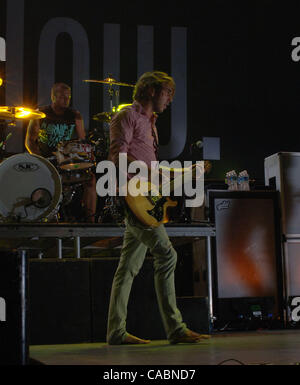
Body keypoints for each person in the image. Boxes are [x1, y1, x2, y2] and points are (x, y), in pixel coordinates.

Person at [106, 71, 210, 344]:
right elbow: (117, 159)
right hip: (133, 197)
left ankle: (116, 332)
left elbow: (150, 169)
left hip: (146, 200)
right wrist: (149, 175)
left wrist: (180, 173)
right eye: (167, 92)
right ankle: (175, 329)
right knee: (168, 256)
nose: (170, 99)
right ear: (151, 91)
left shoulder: (150, 124)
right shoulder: (127, 116)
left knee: (127, 268)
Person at [25, 82, 97, 222]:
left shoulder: (74, 115)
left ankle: (90, 221)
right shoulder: (40, 113)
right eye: (63, 97)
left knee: (91, 179)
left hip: (65, 162)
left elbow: (82, 141)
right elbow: (29, 142)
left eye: (68, 97)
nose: (66, 100)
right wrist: (41, 161)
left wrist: (87, 156)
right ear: (53, 97)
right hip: (46, 162)